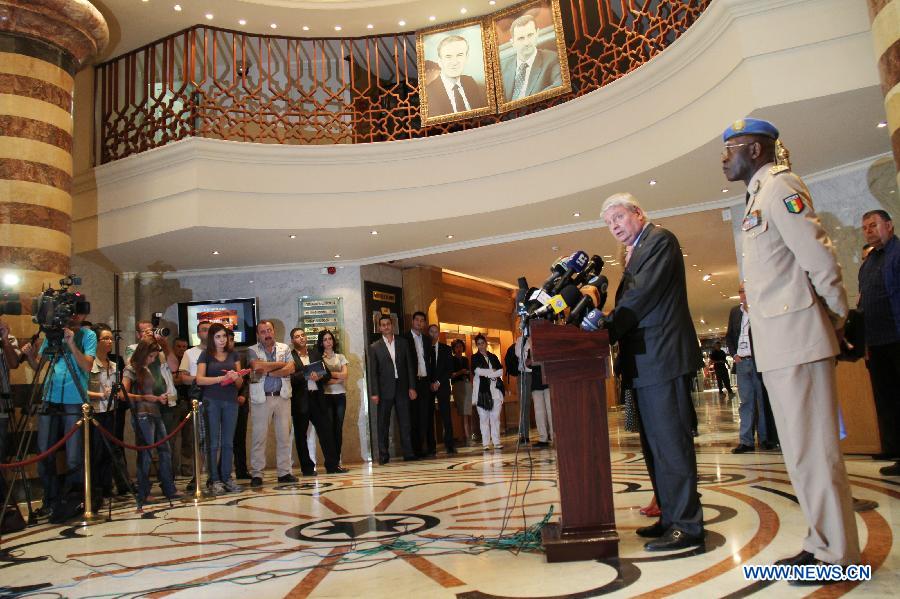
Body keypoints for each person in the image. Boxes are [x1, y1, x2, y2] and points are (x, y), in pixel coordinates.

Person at [722, 117, 860, 573]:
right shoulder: (755, 196)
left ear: (757, 151)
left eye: (732, 148)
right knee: (801, 455)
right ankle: (822, 542)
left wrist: (837, 315)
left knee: (817, 454)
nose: (725, 157)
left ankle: (838, 554)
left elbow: (816, 252)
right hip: (779, 344)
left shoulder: (781, 186)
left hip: (800, 337)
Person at [585, 192, 704, 551]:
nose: (614, 227)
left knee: (671, 445)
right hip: (645, 363)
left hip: (663, 358)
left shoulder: (660, 240)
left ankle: (688, 525)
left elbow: (640, 298)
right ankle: (670, 516)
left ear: (637, 213)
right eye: (609, 224)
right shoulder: (638, 249)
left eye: (618, 218)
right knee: (655, 448)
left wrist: (605, 328)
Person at [22, 303, 96, 521]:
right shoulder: (52, 335)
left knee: (74, 456)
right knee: (44, 452)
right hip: (50, 396)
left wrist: (72, 344)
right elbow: (39, 367)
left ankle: (73, 500)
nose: (73, 316)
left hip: (74, 399)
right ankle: (50, 500)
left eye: (77, 313)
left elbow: (88, 366)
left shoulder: (88, 335)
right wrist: (30, 356)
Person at [858, 210, 900, 476]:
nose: (869, 230)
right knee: (889, 402)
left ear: (889, 225)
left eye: (873, 225)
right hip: (877, 342)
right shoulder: (868, 262)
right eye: (865, 228)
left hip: (898, 337)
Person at [122, 339, 179, 503]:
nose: (153, 359)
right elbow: (123, 394)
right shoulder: (131, 368)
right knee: (146, 453)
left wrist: (158, 398)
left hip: (155, 412)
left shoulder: (148, 368)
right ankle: (143, 490)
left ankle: (169, 487)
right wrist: (144, 397)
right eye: (151, 356)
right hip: (142, 414)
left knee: (165, 450)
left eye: (155, 356)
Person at [282, 328, 344, 475]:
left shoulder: (315, 353)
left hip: (318, 398)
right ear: (292, 340)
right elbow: (288, 378)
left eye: (303, 335)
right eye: (297, 336)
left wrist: (319, 376)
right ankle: (307, 468)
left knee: (326, 432)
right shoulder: (289, 356)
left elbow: (327, 374)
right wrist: (305, 375)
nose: (301, 338)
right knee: (301, 435)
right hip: (300, 401)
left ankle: (332, 465)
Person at [725, 283, 776, 453]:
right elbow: (730, 335)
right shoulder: (735, 312)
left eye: (746, 291)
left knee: (762, 401)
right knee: (746, 402)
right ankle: (746, 441)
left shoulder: (759, 309)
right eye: (741, 291)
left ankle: (765, 438)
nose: (743, 294)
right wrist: (734, 355)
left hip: (758, 361)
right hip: (741, 362)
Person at [247, 320, 296, 487]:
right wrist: (280, 366)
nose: (267, 334)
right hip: (261, 399)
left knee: (284, 437)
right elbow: (256, 366)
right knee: (259, 438)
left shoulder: (285, 348)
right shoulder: (252, 350)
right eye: (263, 331)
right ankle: (257, 474)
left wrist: (268, 371)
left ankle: (284, 472)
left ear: (274, 331)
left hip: (282, 397)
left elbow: (291, 369)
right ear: (258, 335)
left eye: (269, 330)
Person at [195, 324, 243, 494]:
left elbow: (239, 384)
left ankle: (227, 478)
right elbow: (200, 380)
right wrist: (221, 378)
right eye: (218, 337)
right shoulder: (205, 355)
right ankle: (214, 479)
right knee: (213, 442)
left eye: (224, 336)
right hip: (212, 401)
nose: (222, 340)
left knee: (228, 442)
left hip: (230, 401)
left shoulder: (234, 354)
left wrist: (236, 377)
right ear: (212, 339)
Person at [86, 325, 131, 498]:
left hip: (111, 412)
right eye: (105, 338)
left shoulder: (113, 365)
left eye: (111, 338)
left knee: (110, 451)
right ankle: (96, 488)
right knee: (96, 451)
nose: (109, 341)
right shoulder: (90, 364)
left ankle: (107, 486)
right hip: (95, 413)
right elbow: (82, 390)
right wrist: (100, 394)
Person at [367, 314, 417, 464]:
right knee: (383, 423)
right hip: (384, 390)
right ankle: (383, 455)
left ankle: (408, 453)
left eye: (388, 324)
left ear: (392, 325)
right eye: (383, 325)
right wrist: (374, 393)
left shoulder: (403, 343)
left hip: (402, 388)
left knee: (405, 422)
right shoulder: (374, 347)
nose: (386, 327)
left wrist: (412, 387)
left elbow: (409, 366)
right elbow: (373, 372)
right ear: (379, 327)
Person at [500, 13, 562, 102]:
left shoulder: (552, 59)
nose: (527, 42)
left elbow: (560, 84)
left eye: (530, 35)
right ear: (512, 42)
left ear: (537, 34)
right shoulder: (502, 67)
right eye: (521, 38)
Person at [425, 34, 488, 116]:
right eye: (448, 56)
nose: (454, 62)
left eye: (459, 55)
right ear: (440, 61)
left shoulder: (470, 81)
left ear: (466, 57)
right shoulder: (429, 92)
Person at [404, 311, 434, 458]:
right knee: (412, 417)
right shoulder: (404, 338)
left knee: (424, 416)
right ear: (412, 321)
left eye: (422, 321)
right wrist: (410, 385)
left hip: (425, 382)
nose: (419, 323)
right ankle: (413, 450)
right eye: (417, 320)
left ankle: (422, 448)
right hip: (412, 383)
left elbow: (429, 361)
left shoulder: (427, 340)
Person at [319, 329, 350, 467]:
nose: (328, 342)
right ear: (321, 342)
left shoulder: (341, 356)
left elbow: (345, 375)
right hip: (326, 397)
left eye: (330, 339)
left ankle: (337, 460)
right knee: (329, 429)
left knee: (338, 429)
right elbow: (323, 381)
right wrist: (336, 377)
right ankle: (330, 461)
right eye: (325, 339)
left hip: (340, 397)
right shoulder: (319, 358)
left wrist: (330, 375)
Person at [225, 329, 251, 480]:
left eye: (231, 339)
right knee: (226, 439)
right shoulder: (217, 358)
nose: (229, 342)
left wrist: (243, 396)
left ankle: (242, 470)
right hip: (225, 402)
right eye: (226, 339)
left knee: (240, 438)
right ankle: (224, 472)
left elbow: (247, 380)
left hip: (241, 403)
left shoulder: (241, 356)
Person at [426, 324, 456, 454]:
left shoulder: (446, 349)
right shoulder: (424, 348)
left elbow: (449, 370)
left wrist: (437, 382)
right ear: (428, 333)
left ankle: (449, 445)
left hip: (442, 386)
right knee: (427, 416)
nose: (433, 334)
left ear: (439, 333)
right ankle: (431, 447)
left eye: (436, 332)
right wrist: (430, 383)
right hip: (427, 387)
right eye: (431, 332)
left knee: (446, 416)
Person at [472, 334, 504, 451]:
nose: (481, 346)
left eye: (482, 343)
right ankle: (485, 443)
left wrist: (488, 373)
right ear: (477, 345)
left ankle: (496, 442)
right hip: (482, 392)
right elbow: (477, 371)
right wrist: (492, 372)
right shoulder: (475, 358)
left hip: (495, 390)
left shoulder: (493, 356)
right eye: (478, 344)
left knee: (495, 418)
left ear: (486, 343)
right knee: (484, 418)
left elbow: (500, 371)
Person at [450, 340, 474, 445]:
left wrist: (467, 373)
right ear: (454, 349)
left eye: (460, 346)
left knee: (468, 411)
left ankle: (465, 435)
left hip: (467, 385)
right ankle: (467, 437)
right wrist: (461, 372)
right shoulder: (451, 359)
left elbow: (469, 372)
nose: (459, 349)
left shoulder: (465, 359)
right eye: (456, 347)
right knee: (463, 411)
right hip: (458, 386)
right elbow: (451, 375)